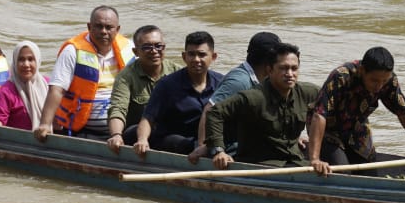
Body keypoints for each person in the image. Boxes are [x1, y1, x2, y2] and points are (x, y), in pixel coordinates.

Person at [307, 46, 405, 175]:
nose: (379, 86)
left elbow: (403, 112)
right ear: (362, 70)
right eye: (374, 80)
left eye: (384, 81)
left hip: (356, 127)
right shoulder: (341, 76)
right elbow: (319, 116)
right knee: (342, 171)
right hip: (327, 130)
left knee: (370, 172)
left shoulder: (389, 81)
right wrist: (315, 159)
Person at [204, 42, 319, 169]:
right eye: (283, 68)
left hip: (295, 160)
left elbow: (330, 104)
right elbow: (215, 113)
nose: (290, 74)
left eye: (294, 68)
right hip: (260, 165)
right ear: (269, 70)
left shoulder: (308, 92)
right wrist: (219, 151)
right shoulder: (253, 97)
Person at [34, 6, 133, 141]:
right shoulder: (72, 50)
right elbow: (56, 89)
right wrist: (45, 124)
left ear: (118, 29)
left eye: (109, 27)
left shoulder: (129, 49)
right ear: (89, 26)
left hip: (120, 129)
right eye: (98, 26)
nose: (104, 31)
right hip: (79, 128)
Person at [190, 31, 280, 163]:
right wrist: (205, 148)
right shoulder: (239, 82)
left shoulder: (264, 81)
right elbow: (210, 110)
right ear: (269, 63)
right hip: (231, 147)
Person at [134, 31, 223, 155]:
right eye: (191, 54)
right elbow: (148, 119)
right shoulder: (167, 85)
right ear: (184, 56)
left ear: (213, 57)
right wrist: (142, 140)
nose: (196, 59)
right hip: (176, 143)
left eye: (202, 55)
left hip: (208, 143)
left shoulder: (222, 84)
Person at [106, 25, 168, 152]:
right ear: (136, 52)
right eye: (147, 47)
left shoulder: (177, 72)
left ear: (164, 47)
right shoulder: (126, 77)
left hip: (168, 132)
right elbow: (118, 108)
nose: (154, 51)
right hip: (135, 136)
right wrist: (116, 135)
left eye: (158, 46)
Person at [0, 40, 49, 130]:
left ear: (38, 61)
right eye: (21, 59)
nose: (26, 64)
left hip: (46, 139)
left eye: (31, 59)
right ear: (15, 62)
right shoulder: (6, 91)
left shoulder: (48, 85)